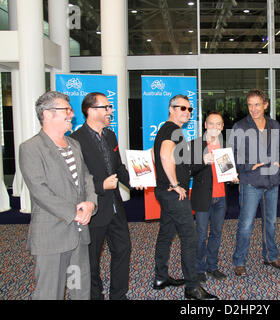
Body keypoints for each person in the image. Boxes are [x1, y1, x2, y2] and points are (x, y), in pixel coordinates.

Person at [19, 91, 97, 300]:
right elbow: (39, 190)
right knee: (49, 293)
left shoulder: (74, 145)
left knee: (80, 290)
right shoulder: (31, 148)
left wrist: (90, 203)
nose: (72, 114)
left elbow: (86, 177)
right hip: (52, 236)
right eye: (66, 110)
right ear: (47, 114)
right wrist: (74, 212)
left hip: (79, 234)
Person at [70, 92, 137, 300]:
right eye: (106, 107)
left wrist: (134, 182)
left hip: (116, 206)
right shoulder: (75, 141)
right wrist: (100, 186)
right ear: (90, 111)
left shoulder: (110, 135)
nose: (111, 110)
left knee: (123, 249)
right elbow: (75, 180)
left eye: (110, 107)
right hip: (94, 208)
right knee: (91, 260)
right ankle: (95, 295)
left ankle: (119, 295)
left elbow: (117, 167)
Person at [153, 94, 217, 300]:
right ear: (171, 109)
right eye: (182, 108)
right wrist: (175, 184)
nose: (187, 112)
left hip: (167, 192)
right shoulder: (172, 129)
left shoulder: (169, 130)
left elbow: (179, 163)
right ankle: (192, 287)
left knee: (165, 234)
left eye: (189, 109)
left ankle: (161, 278)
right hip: (173, 193)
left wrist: (203, 160)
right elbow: (163, 155)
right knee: (190, 237)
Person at [229, 89, 280, 276]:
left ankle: (270, 256)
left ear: (265, 105)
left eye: (257, 104)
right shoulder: (240, 126)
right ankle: (239, 261)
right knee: (246, 225)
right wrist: (248, 165)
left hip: (272, 181)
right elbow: (232, 155)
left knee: (270, 223)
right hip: (251, 182)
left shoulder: (274, 124)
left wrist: (279, 161)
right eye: (250, 105)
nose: (253, 109)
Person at [190, 111, 237, 282]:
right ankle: (198, 268)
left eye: (218, 124)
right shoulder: (196, 145)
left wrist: (233, 177)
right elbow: (188, 170)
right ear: (205, 125)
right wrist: (202, 160)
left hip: (221, 198)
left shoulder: (226, 147)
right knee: (201, 235)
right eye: (211, 123)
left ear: (222, 127)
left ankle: (212, 266)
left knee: (216, 233)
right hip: (204, 197)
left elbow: (228, 171)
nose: (214, 127)